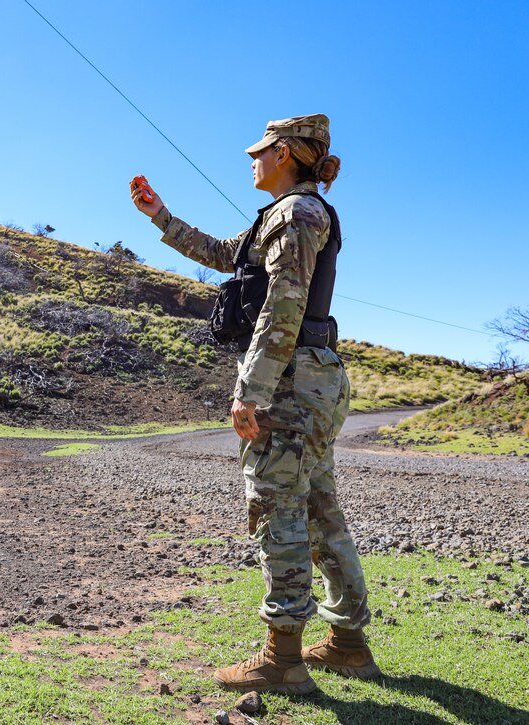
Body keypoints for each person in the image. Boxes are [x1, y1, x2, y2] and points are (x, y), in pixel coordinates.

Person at [131, 114, 378, 694]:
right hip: (310, 375)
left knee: (277, 507)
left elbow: (284, 306)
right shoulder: (287, 213)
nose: (252, 161)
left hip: (290, 380)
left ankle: (283, 660)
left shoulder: (297, 213)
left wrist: (253, 389)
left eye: (260, 151)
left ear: (287, 152)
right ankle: (347, 645)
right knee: (318, 508)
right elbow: (226, 255)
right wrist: (160, 217)